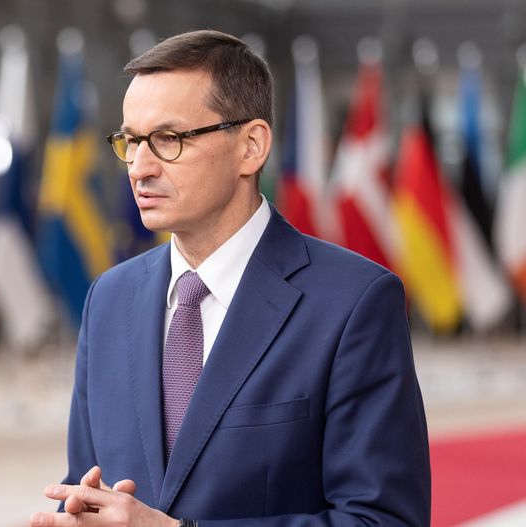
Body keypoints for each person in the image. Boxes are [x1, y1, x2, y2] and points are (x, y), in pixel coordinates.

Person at [30, 30, 430, 526]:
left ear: (251, 146)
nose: (139, 167)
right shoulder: (109, 299)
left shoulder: (354, 303)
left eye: (168, 139)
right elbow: (88, 490)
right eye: (130, 141)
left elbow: (383, 520)